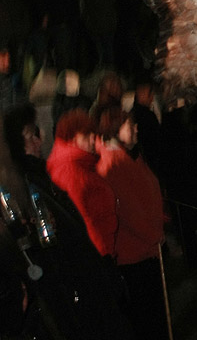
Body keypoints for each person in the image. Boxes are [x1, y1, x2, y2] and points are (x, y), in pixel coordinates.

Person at [2, 103, 134, 339]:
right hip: (74, 296)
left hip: (86, 284)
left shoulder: (38, 183)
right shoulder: (29, 191)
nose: (39, 141)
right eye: (32, 134)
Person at [96, 106, 170, 340]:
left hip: (144, 249)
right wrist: (154, 234)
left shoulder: (126, 157)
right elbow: (129, 210)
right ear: (116, 130)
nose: (136, 129)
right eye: (130, 126)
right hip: (135, 254)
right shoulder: (114, 164)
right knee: (148, 319)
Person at [46, 108, 118, 258]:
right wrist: (103, 255)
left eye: (93, 134)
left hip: (101, 249)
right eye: (86, 135)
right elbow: (81, 217)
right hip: (95, 254)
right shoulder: (70, 170)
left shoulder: (82, 166)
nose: (93, 139)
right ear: (72, 138)